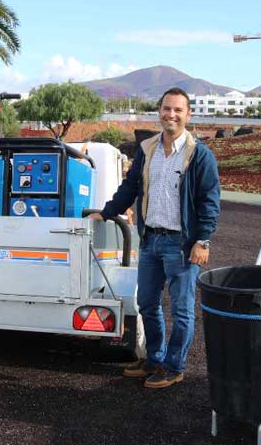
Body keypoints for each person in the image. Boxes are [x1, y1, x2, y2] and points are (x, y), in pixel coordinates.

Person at [90, 87, 220, 389]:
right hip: (150, 241)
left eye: (177, 110)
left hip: (182, 245)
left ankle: (175, 367)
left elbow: (209, 201)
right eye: (166, 109)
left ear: (188, 114)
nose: (171, 115)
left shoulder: (199, 155)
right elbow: (130, 188)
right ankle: (155, 359)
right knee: (147, 303)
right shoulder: (147, 149)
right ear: (159, 111)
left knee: (182, 310)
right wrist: (107, 212)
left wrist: (203, 241)